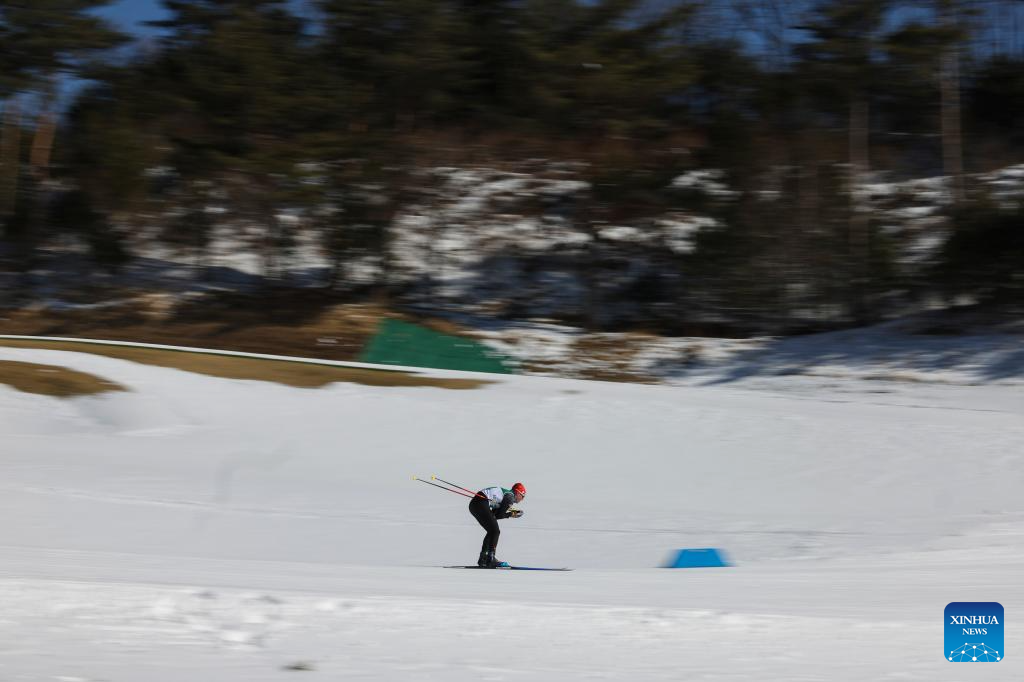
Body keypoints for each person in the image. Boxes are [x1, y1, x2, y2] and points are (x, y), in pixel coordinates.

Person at [469, 482, 526, 568]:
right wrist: (511, 514)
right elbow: (500, 515)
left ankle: (484, 558)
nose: (522, 499)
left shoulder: (506, 495)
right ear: (517, 493)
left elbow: (494, 515)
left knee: (492, 531)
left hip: (475, 504)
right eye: (522, 496)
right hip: (481, 502)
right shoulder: (510, 497)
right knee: (495, 531)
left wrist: (510, 513)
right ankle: (490, 558)